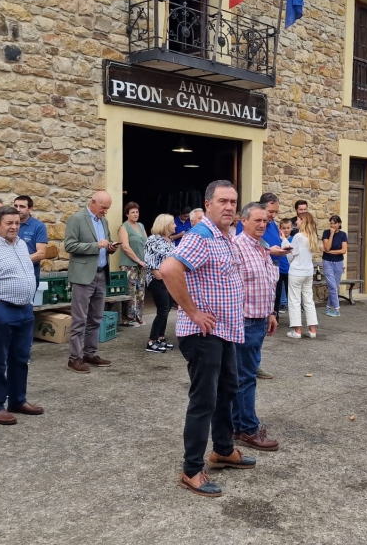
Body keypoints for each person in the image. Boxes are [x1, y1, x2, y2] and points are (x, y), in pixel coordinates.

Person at [160, 180, 255, 498]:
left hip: (225, 331)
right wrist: (193, 311)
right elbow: (169, 268)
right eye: (223, 201)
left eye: (233, 201)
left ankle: (224, 450)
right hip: (204, 334)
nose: (229, 207)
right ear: (208, 204)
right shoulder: (201, 234)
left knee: (227, 391)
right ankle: (190, 471)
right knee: (203, 401)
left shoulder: (225, 236)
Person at [0, 205, 43, 425]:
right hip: (0, 310)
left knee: (21, 358)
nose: (14, 227)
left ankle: (18, 400)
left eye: (17, 223)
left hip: (24, 310)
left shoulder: (22, 245)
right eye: (9, 223)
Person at [232, 202, 280, 451]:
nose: (263, 225)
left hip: (260, 319)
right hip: (244, 321)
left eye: (266, 221)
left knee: (242, 376)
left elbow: (268, 284)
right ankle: (249, 430)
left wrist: (271, 313)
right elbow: (232, 288)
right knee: (246, 378)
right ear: (244, 221)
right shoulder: (237, 247)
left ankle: (238, 425)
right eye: (258, 220)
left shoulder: (263, 248)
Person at [64, 191, 119, 373]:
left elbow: (105, 243)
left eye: (107, 208)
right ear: (93, 202)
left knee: (96, 318)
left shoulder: (104, 221)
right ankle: (75, 358)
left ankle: (90, 353)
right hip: (82, 276)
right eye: (103, 208)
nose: (105, 212)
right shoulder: (77, 218)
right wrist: (96, 246)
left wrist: (110, 247)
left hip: (101, 274)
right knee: (79, 319)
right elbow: (70, 245)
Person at [144, 214, 176, 353]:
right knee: (162, 309)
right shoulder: (153, 240)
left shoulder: (170, 240)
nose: (175, 225)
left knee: (167, 309)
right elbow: (150, 262)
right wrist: (159, 275)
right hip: (158, 280)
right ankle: (151, 341)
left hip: (169, 280)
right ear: (165, 225)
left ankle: (160, 337)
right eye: (173, 223)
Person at [286, 211, 319, 338]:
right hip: (308, 272)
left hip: (296, 272)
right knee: (308, 300)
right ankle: (312, 330)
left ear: (303, 221)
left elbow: (290, 253)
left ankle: (297, 330)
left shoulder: (298, 236)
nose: (296, 222)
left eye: (298, 220)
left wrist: (284, 241)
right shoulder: (312, 237)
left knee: (294, 300)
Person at [118, 202, 148, 327]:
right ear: (127, 214)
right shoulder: (123, 227)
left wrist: (146, 260)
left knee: (140, 291)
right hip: (129, 264)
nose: (135, 214)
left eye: (137, 212)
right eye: (132, 212)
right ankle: (128, 319)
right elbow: (125, 247)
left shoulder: (141, 226)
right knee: (131, 291)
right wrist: (138, 260)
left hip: (142, 264)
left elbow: (147, 243)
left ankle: (138, 317)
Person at [13, 196, 48, 289]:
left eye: (22, 206)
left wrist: (17, 261)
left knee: (27, 302)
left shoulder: (38, 226)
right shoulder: (8, 224)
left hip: (29, 270)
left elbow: (41, 253)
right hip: (9, 271)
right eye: (15, 206)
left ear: (30, 209)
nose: (18, 209)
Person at [321, 215, 348, 317]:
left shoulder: (343, 235)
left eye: (335, 223)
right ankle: (337, 309)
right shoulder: (326, 233)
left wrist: (330, 251)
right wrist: (331, 235)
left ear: (339, 224)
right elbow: (327, 248)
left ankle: (328, 307)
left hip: (339, 263)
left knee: (334, 286)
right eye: (331, 223)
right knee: (332, 286)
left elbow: (343, 250)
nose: (333, 225)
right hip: (327, 261)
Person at [278, 218, 293, 314]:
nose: (286, 230)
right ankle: (277, 314)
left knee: (290, 293)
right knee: (277, 292)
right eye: (284, 228)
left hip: (290, 271)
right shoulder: (277, 239)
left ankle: (292, 315)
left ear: (291, 228)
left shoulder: (294, 240)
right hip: (279, 270)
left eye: (288, 228)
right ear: (280, 229)